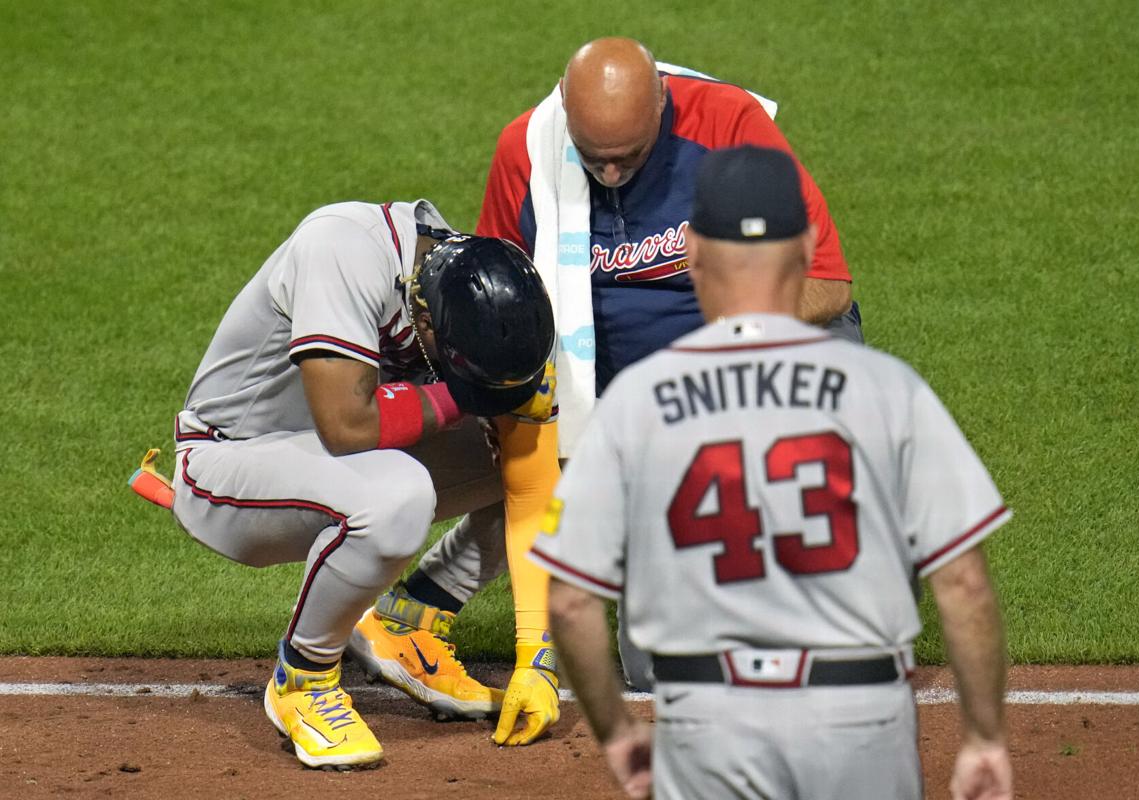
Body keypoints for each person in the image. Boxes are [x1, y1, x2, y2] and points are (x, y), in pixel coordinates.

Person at [357, 36, 862, 702]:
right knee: (661, 669)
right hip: (613, 386)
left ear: (663, 106)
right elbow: (509, 320)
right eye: (597, 159)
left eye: (630, 157)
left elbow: (826, 287)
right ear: (566, 110)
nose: (614, 174)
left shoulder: (731, 129)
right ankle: (416, 605)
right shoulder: (529, 155)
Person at [533, 146, 1013, 800]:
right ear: (808, 245)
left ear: (693, 251)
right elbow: (964, 584)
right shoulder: (887, 389)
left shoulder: (636, 402)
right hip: (860, 721)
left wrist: (617, 732)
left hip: (709, 727)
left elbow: (568, 597)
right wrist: (985, 736)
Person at [164, 199, 555, 768]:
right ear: (427, 322)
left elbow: (534, 485)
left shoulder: (491, 302)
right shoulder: (343, 247)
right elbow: (347, 426)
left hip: (337, 465)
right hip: (229, 467)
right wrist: (465, 397)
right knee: (397, 492)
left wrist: (534, 656)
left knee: (552, 453)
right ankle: (304, 678)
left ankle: (411, 619)